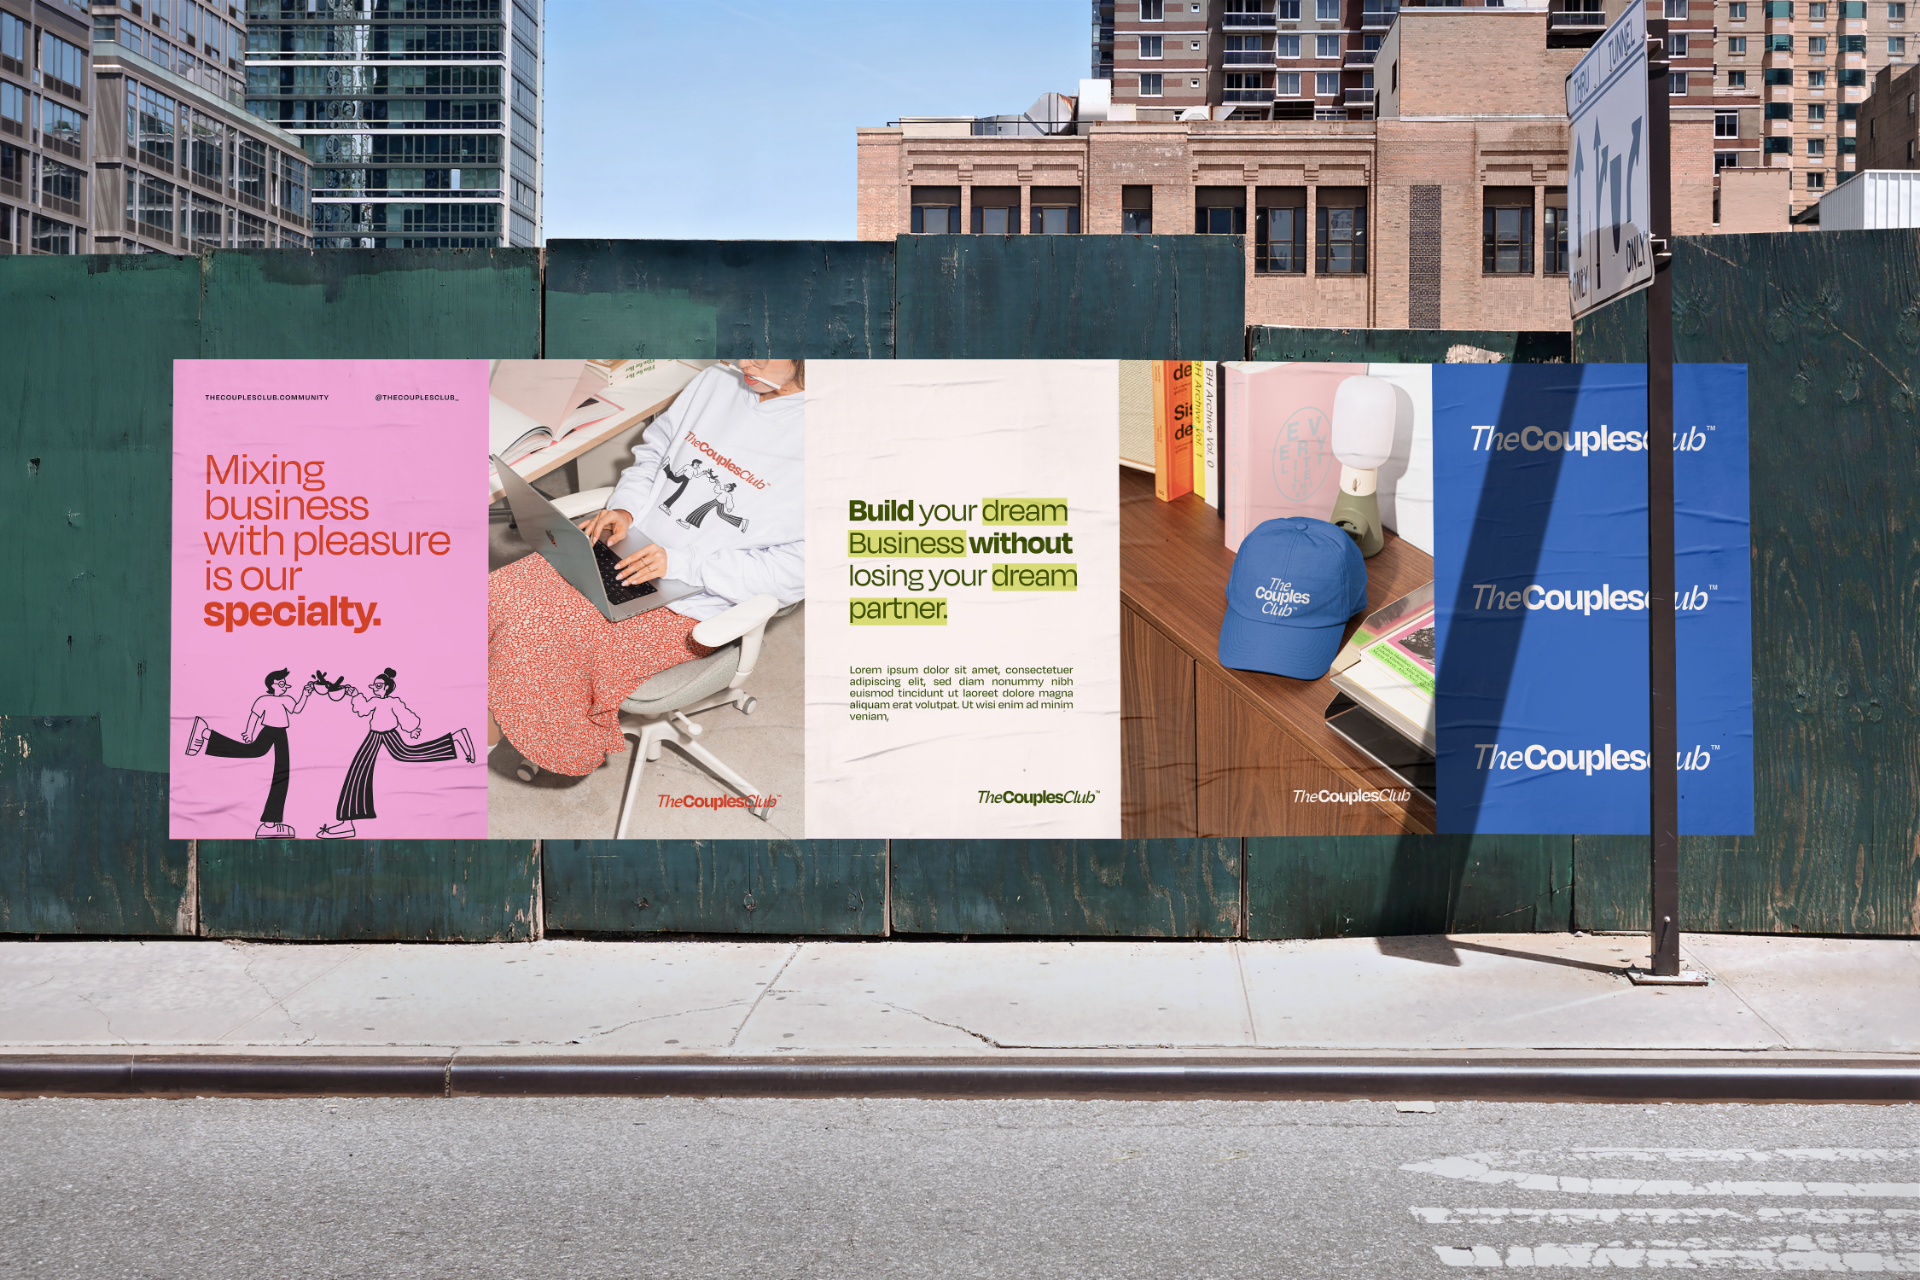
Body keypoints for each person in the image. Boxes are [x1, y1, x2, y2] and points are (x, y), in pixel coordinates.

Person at [488, 359, 806, 776]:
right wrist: (626, 509)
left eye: (766, 350)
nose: (745, 361)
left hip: (695, 598)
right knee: (489, 600)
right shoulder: (718, 380)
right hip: (622, 551)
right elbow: (655, 455)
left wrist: (680, 562)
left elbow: (794, 573)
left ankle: (483, 748)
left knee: (534, 642)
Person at [315, 667, 475, 840]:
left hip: (388, 735)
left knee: (407, 754)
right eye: (374, 685)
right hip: (374, 735)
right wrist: (354, 694)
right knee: (359, 770)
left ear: (387, 687)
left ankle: (454, 738)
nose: (375, 688)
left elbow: (405, 715)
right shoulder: (375, 701)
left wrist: (413, 729)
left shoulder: (393, 702)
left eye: (379, 685)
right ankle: (347, 823)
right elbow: (363, 709)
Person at [184, 668, 314, 839]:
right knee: (256, 755)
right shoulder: (264, 700)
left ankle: (271, 823)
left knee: (281, 771)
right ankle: (206, 733)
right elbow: (254, 717)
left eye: (285, 684)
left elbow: (296, 709)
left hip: (281, 733)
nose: (285, 686)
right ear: (272, 684)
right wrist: (249, 732)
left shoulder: (287, 699)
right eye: (281, 683)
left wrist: (305, 694)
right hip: (270, 732)